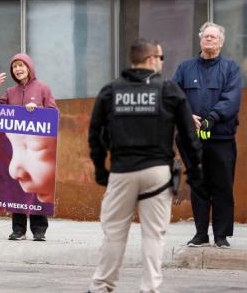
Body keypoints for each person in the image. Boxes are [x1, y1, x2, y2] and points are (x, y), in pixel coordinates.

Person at [87, 39, 203, 293]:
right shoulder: (169, 90)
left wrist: (100, 170)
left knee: (114, 233)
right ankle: (150, 288)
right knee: (153, 235)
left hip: (122, 171)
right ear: (151, 60)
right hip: (157, 173)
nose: (162, 63)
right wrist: (194, 171)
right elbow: (188, 135)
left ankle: (101, 287)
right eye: (160, 59)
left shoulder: (111, 90)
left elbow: (95, 134)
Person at [173, 22, 242, 249]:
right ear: (200, 40)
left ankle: (221, 236)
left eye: (214, 37)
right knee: (199, 185)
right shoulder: (185, 68)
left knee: (222, 186)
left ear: (221, 42)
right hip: (193, 139)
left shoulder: (231, 69)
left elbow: (231, 99)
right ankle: (201, 234)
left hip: (220, 138)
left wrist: (212, 117)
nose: (209, 40)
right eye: (206, 36)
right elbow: (173, 95)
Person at [0, 53, 58, 241]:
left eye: (21, 65)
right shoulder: (10, 92)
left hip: (37, 151)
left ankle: (39, 230)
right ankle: (18, 230)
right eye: (14, 67)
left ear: (29, 67)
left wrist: (39, 111)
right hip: (15, 151)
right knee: (16, 190)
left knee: (36, 190)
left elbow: (54, 114)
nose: (18, 69)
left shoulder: (43, 89)